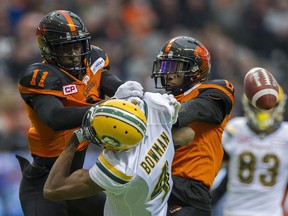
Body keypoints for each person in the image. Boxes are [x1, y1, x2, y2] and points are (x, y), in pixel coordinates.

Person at [16, 10, 143, 216]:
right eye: (65, 48)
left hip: (76, 178)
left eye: (76, 45)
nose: (74, 53)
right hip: (43, 182)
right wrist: (104, 109)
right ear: (47, 49)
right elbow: (55, 118)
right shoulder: (40, 75)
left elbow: (102, 78)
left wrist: (121, 89)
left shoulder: (93, 58)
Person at [43, 93, 195, 216]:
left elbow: (51, 190)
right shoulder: (155, 109)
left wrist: (74, 141)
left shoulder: (123, 170)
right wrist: (165, 137)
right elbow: (189, 135)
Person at [151, 36, 235, 216]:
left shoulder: (215, 90)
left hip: (189, 190)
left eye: (175, 66)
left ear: (195, 70)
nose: (168, 73)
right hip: (154, 185)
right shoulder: (162, 102)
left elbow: (188, 113)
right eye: (165, 66)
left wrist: (151, 117)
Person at [214, 85, 288, 216]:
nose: (263, 112)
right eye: (258, 106)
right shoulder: (235, 129)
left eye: (268, 107)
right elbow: (222, 171)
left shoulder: (235, 128)